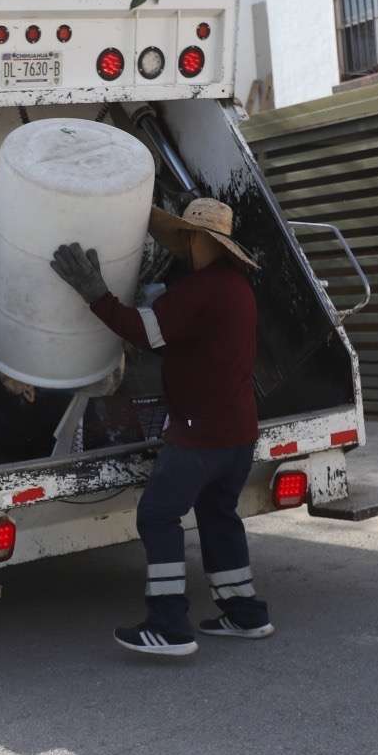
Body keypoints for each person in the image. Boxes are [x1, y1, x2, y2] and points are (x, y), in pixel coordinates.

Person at [50, 197, 271, 658]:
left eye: (186, 239)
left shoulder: (201, 289)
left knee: (157, 515)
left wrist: (95, 293)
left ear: (197, 239)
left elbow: (140, 331)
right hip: (237, 431)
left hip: (199, 432)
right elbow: (192, 342)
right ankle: (244, 612)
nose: (182, 248)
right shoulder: (239, 287)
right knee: (218, 514)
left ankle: (169, 624)